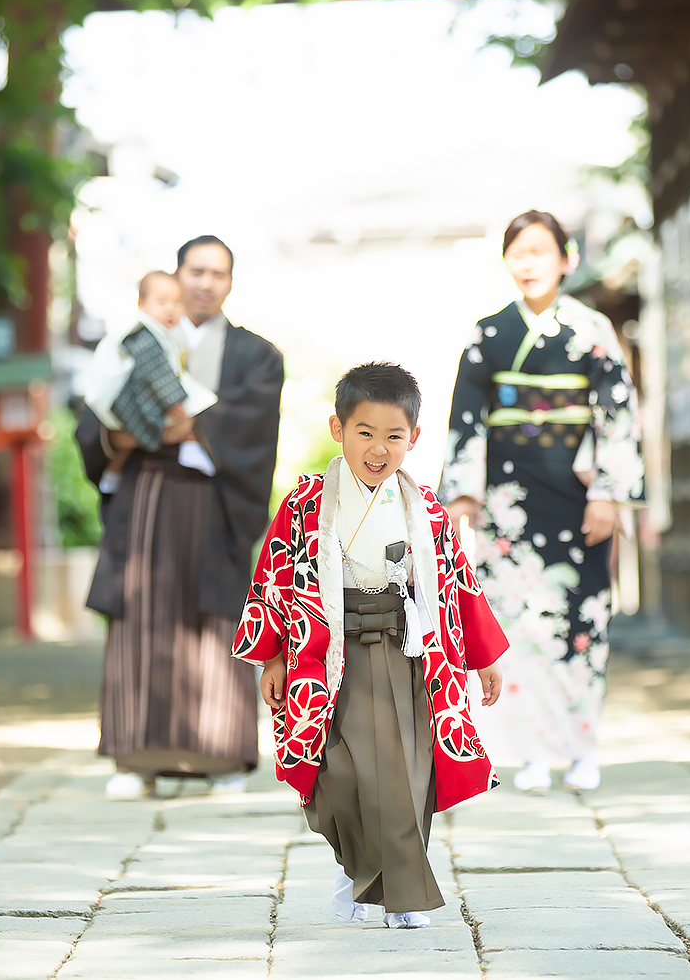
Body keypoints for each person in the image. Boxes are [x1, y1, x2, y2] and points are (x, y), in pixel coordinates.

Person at [234, 362, 509, 929]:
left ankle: (403, 895)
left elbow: (460, 587)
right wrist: (275, 654)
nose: (379, 448)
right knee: (341, 775)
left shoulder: (426, 508)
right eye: (365, 432)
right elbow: (274, 580)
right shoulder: (305, 504)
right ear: (338, 429)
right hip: (332, 659)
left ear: (413, 439)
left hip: (409, 657)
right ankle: (356, 871)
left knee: (410, 776)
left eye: (394, 436)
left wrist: (483, 658)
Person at [440, 210, 644, 794]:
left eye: (540, 251)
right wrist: (463, 496)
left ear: (566, 258)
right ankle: (525, 752)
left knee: (581, 620)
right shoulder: (488, 333)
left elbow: (617, 415)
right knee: (513, 623)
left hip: (577, 498)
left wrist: (608, 492)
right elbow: (466, 420)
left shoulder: (593, 329)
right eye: (518, 253)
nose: (528, 263)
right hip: (507, 501)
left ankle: (581, 749)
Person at [75, 236, 284, 799]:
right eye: (195, 270)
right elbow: (95, 412)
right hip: (145, 490)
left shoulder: (255, 355)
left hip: (213, 499)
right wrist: (122, 432)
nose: (204, 283)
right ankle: (136, 756)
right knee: (141, 613)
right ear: (178, 274)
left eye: (218, 273)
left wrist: (192, 424)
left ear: (230, 283)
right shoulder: (133, 339)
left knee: (215, 620)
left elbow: (252, 423)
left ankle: (217, 758)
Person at [83, 270, 218, 468]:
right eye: (162, 302)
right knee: (163, 426)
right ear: (141, 303)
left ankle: (113, 473)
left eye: (177, 303)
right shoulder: (144, 335)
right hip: (125, 401)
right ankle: (191, 450)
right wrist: (173, 401)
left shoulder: (157, 334)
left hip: (128, 402)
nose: (170, 309)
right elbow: (155, 370)